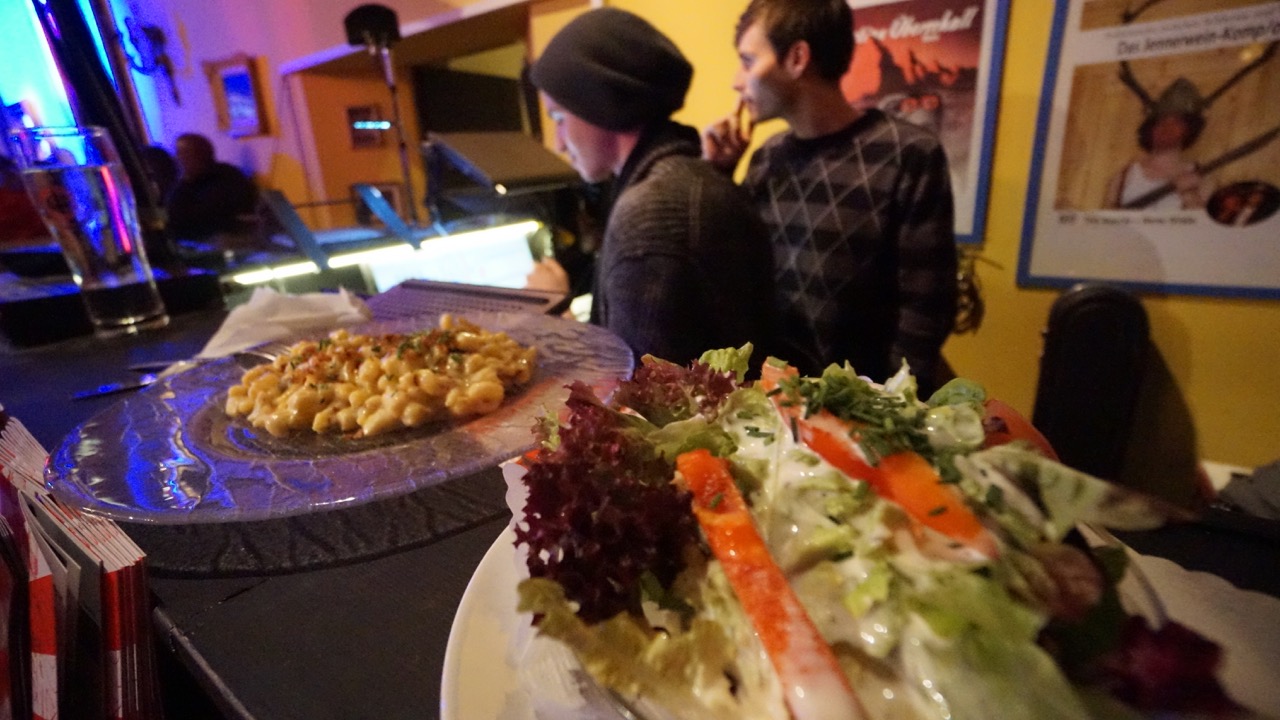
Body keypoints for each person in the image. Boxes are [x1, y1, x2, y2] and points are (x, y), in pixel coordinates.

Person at [702, 0, 958, 393]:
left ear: (797, 58)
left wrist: (893, 407)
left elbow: (925, 310)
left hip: (863, 407)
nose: (738, 81)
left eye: (748, 61)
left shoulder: (909, 154)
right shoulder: (767, 157)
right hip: (772, 405)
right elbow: (734, 274)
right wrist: (720, 173)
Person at [528, 7, 775, 366]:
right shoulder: (690, 176)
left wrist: (554, 315)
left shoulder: (651, 212)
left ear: (601, 105)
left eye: (558, 117)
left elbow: (638, 390)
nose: (558, 143)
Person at [1104, 108, 1212, 211]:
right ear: (1150, 130)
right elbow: (1105, 219)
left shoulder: (1201, 178)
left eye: (1176, 123)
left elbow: (1208, 221)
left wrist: (1189, 194)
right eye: (1160, 122)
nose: (1166, 127)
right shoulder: (1124, 176)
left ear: (1187, 130)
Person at [166, 133, 259, 243]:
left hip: (223, 241)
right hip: (193, 241)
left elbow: (202, 218)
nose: (177, 158)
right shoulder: (191, 180)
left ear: (199, 155)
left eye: (182, 154)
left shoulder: (226, 178)